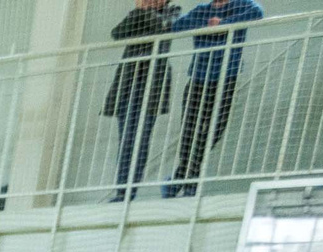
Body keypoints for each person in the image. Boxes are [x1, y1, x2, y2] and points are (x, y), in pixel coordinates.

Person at [166, 0, 264, 197]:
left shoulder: (242, 4)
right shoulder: (202, 10)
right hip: (198, 77)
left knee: (215, 128)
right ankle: (188, 177)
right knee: (188, 129)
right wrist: (206, 26)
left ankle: (183, 175)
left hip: (226, 76)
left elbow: (257, 12)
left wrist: (224, 23)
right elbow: (177, 26)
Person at [104, 0, 178, 199]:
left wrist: (144, 11)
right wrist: (138, 12)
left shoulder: (172, 13)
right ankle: (122, 190)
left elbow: (161, 32)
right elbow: (117, 33)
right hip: (128, 82)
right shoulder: (135, 15)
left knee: (141, 138)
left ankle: (130, 190)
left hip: (151, 82)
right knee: (126, 139)